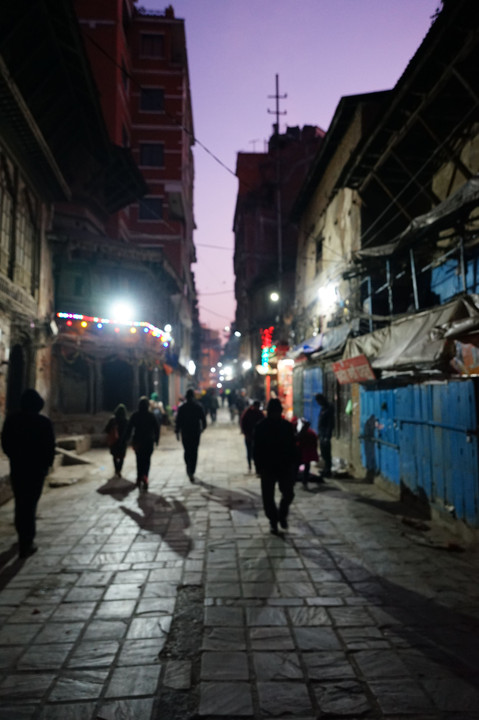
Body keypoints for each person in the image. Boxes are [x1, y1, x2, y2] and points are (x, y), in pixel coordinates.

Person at [1, 389, 55, 558]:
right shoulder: (43, 422)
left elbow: (6, 443)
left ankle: (22, 535)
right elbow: (49, 447)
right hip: (36, 469)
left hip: (19, 467)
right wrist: (46, 465)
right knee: (30, 504)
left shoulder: (12, 421)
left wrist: (15, 457)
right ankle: (27, 542)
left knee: (21, 502)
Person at [253, 398, 297, 534]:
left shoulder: (286, 426)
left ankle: (282, 515)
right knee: (268, 496)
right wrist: (258, 466)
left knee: (288, 493)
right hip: (267, 466)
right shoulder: (261, 426)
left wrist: (294, 463)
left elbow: (292, 446)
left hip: (284, 465)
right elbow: (256, 448)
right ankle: (273, 520)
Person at [125, 396, 160, 489]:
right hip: (148, 441)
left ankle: (139, 477)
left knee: (139, 459)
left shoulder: (135, 415)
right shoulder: (151, 415)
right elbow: (156, 428)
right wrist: (156, 439)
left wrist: (126, 438)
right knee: (147, 460)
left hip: (138, 441)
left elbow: (129, 428)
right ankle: (145, 476)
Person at [175, 388, 207, 482]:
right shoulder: (198, 406)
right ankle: (191, 470)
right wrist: (203, 428)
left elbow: (178, 421)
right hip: (195, 432)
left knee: (187, 450)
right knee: (194, 451)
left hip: (185, 433)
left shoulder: (183, 407)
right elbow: (203, 419)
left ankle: (189, 468)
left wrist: (177, 431)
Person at [104, 403, 128, 477]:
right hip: (123, 441)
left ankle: (116, 469)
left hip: (114, 441)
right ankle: (119, 470)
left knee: (115, 456)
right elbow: (128, 431)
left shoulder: (113, 420)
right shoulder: (126, 421)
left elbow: (107, 429)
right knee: (121, 457)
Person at [240, 400, 264, 473]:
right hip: (250, 435)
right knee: (250, 451)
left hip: (254, 436)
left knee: (254, 452)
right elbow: (243, 423)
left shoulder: (255, 413)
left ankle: (254, 466)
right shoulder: (250, 413)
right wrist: (245, 433)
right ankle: (250, 465)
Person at [315, 393, 334, 479]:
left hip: (326, 434)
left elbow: (330, 424)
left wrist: (327, 436)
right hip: (322, 433)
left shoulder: (329, 408)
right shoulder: (323, 408)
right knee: (323, 452)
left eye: (318, 401)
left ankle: (328, 471)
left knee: (327, 453)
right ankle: (325, 469)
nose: (318, 403)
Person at [296, 419, 319, 487]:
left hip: (303, 451)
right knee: (306, 465)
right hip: (307, 452)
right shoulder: (311, 432)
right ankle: (304, 481)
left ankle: (296, 479)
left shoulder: (304, 433)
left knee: (297, 465)